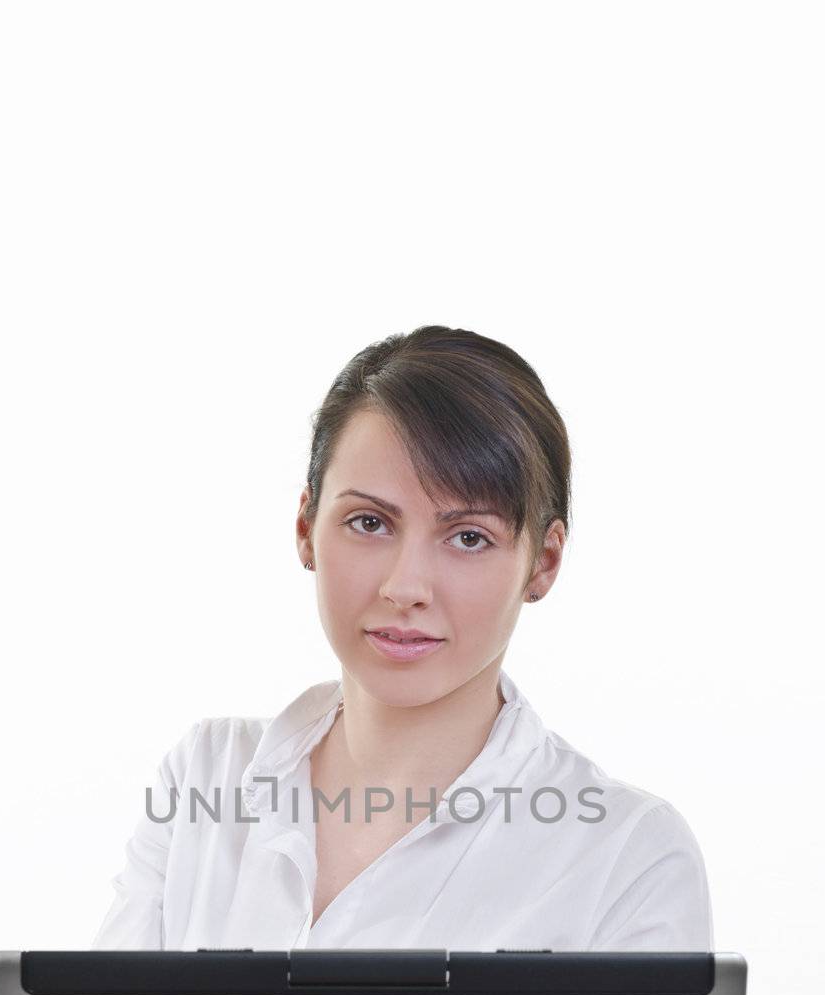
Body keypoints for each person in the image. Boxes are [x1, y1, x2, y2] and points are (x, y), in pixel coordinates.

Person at [92, 325, 713, 952]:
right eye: (369, 523)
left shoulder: (627, 858)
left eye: (469, 537)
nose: (406, 586)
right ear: (306, 527)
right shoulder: (208, 777)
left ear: (543, 561)